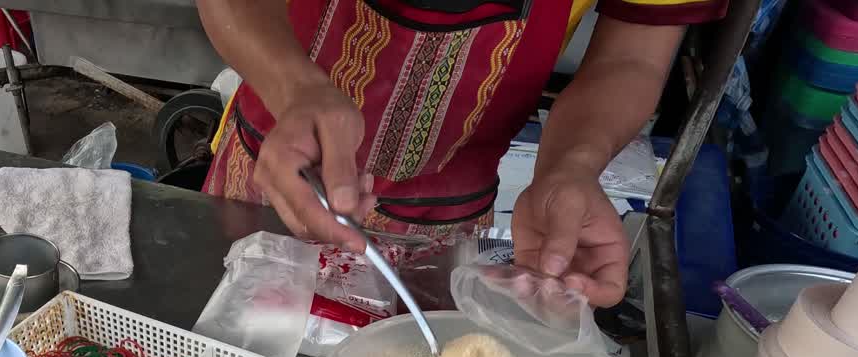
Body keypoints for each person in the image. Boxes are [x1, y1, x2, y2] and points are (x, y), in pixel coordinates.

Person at [197, 0, 727, 308]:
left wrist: (571, 166)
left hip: (444, 221)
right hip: (272, 173)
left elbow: (632, 54)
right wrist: (293, 88)